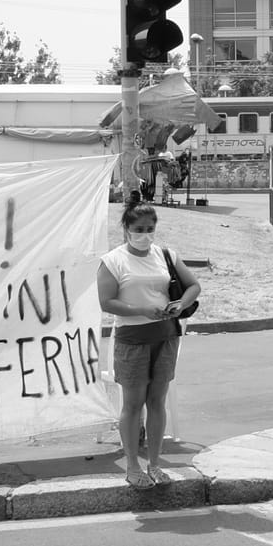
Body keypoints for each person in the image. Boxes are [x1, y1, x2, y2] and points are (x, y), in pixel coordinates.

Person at [97, 203, 200, 488]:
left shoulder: (165, 255)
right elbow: (107, 301)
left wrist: (180, 304)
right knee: (133, 404)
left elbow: (193, 286)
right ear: (127, 229)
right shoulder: (113, 260)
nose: (144, 235)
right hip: (132, 339)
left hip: (165, 335)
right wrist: (140, 309)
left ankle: (155, 464)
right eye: (138, 230)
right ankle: (132, 466)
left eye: (149, 229)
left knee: (157, 401)